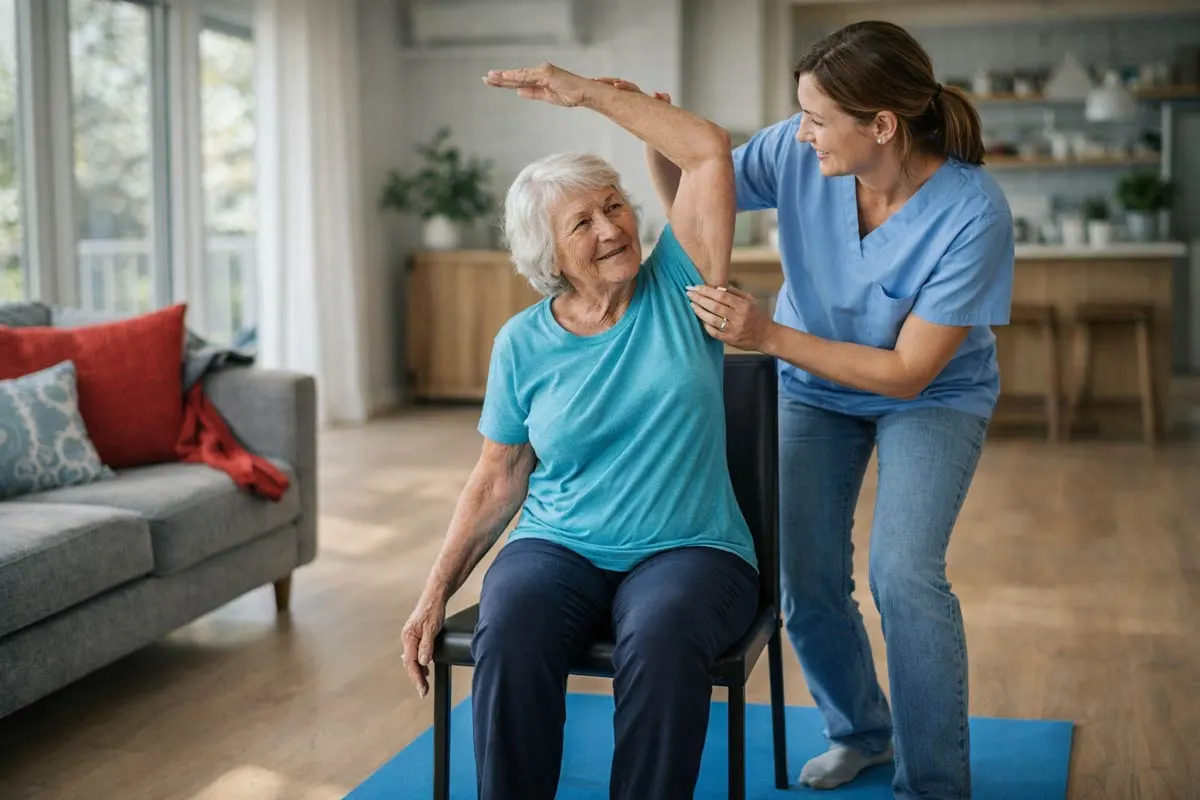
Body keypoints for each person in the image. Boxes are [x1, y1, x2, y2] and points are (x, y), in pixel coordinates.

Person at [636, 19, 1014, 800]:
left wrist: (767, 332)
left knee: (904, 574)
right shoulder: (795, 151)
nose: (800, 132)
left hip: (930, 396)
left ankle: (935, 784)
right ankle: (861, 732)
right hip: (813, 386)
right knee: (804, 582)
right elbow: (699, 200)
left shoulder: (973, 211)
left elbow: (910, 372)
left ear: (882, 125)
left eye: (817, 117)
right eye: (799, 112)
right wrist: (658, 143)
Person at [400, 63, 761, 800]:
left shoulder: (681, 286)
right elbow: (499, 476)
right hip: (560, 545)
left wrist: (594, 95)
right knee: (511, 623)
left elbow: (706, 151)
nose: (611, 227)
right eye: (583, 222)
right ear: (549, 256)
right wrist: (434, 594)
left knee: (660, 640)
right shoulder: (521, 344)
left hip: (691, 549)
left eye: (615, 206)